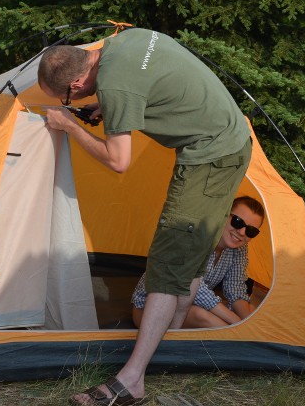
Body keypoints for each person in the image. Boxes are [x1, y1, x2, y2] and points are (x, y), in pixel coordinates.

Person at [38, 27, 252, 406]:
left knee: (168, 265)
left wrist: (69, 125)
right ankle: (172, 349)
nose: (70, 101)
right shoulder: (123, 43)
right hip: (231, 143)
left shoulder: (117, 87)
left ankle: (131, 380)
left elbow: (119, 161)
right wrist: (107, 106)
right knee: (190, 259)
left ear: (76, 80)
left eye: (67, 96)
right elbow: (149, 78)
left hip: (210, 159)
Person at [132, 196, 265, 329]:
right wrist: (238, 323)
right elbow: (194, 289)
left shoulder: (239, 248)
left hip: (188, 306)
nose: (242, 232)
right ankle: (240, 343)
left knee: (250, 311)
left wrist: (249, 321)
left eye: (251, 231)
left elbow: (235, 289)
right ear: (224, 215)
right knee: (203, 317)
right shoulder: (198, 236)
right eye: (237, 221)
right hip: (150, 308)